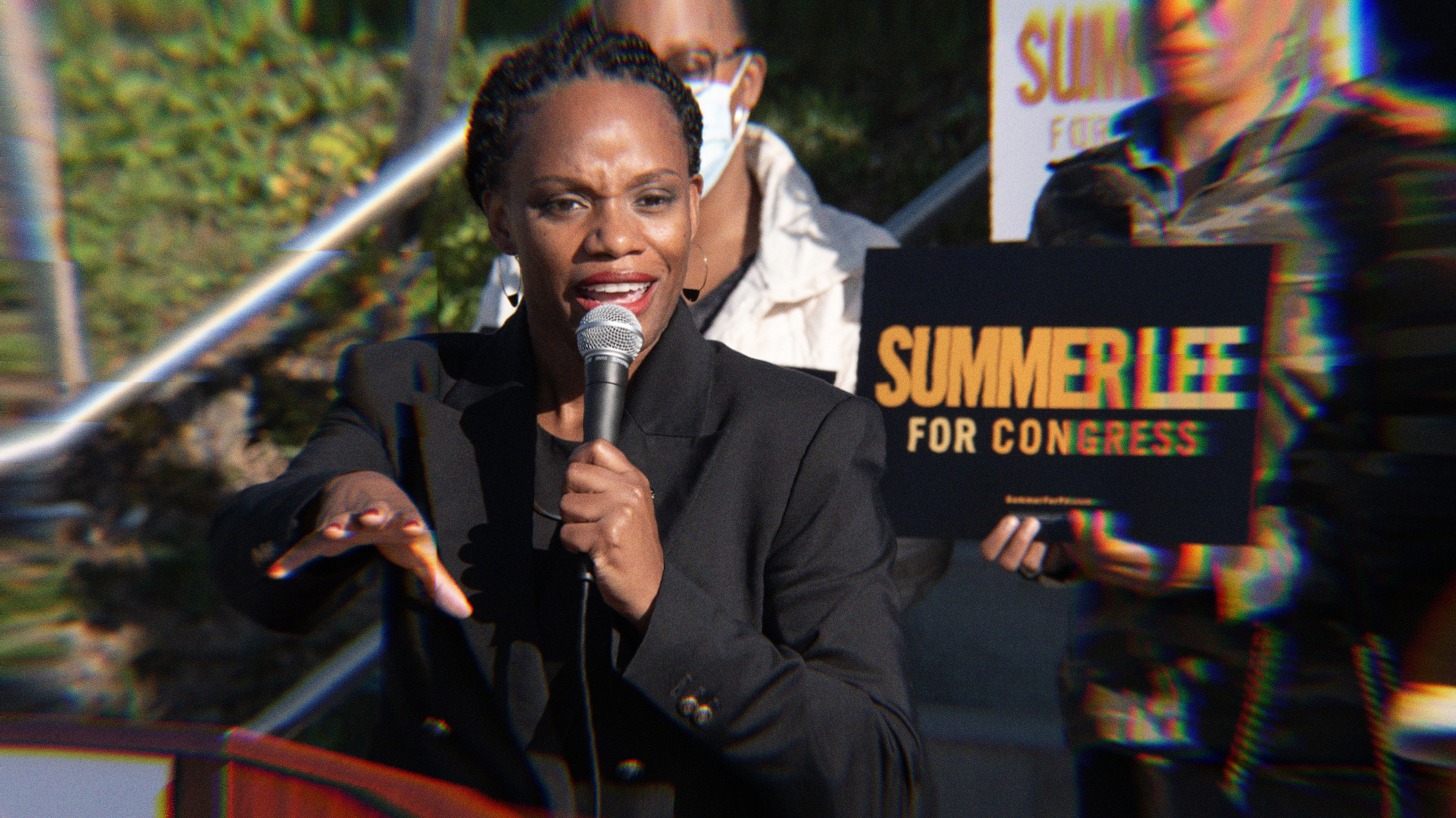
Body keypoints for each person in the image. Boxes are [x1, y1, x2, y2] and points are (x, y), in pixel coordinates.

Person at [211, 19, 921, 818]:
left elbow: (878, 775)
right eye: (564, 203)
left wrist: (662, 606)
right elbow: (253, 570)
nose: (616, 238)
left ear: (691, 205)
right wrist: (330, 503)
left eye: (652, 199)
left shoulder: (801, 439)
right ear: (502, 218)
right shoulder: (408, 392)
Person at [979, 0, 1456, 814]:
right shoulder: (1081, 198)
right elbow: (1047, 456)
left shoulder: (1384, 182)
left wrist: (1222, 561)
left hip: (1313, 743)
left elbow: (1430, 489)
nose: (1179, 11)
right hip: (1122, 730)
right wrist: (1040, 527)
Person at [473, 0, 896, 395]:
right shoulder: (526, 270)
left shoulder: (859, 276)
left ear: (748, 83)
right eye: (627, 61)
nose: (656, 91)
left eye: (689, 65)